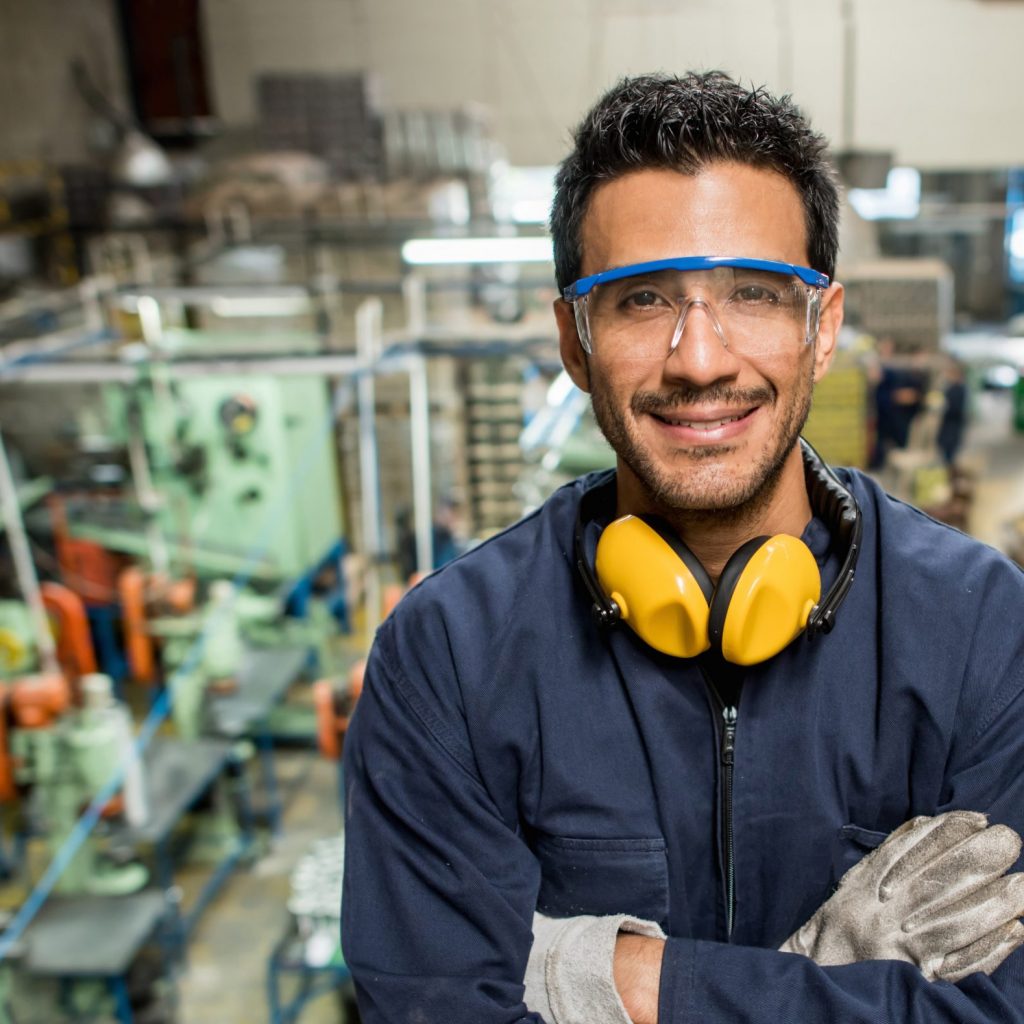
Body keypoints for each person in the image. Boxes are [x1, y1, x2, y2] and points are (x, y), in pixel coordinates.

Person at [341, 72, 1024, 1023]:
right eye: (641, 299)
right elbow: (433, 1008)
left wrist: (627, 982)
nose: (700, 359)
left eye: (753, 292)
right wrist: (831, 980)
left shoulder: (982, 629)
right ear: (575, 342)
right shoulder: (450, 654)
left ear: (821, 329)